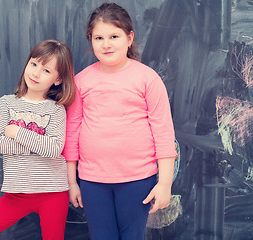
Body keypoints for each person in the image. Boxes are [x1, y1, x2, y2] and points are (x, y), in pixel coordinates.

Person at [63, 3, 177, 240]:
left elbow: (163, 133)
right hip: (93, 181)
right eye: (99, 37)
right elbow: (71, 132)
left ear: (129, 37)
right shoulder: (81, 82)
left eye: (114, 36)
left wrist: (164, 183)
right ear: (91, 41)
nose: (106, 44)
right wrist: (72, 182)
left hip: (137, 179)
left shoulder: (148, 79)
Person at [0, 39, 76, 240]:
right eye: (34, 64)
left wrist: (17, 132)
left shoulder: (56, 109)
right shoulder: (6, 103)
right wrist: (38, 144)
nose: (35, 73)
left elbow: (53, 149)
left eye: (46, 71)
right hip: (16, 194)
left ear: (58, 79)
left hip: (52, 193)